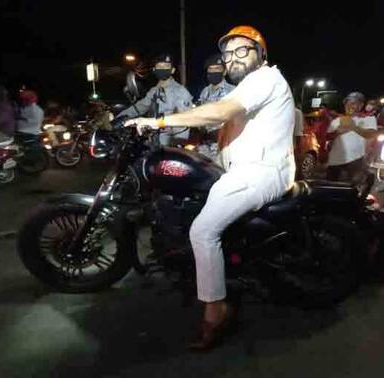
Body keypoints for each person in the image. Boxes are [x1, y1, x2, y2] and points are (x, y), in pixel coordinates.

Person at [125, 25, 295, 350]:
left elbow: (219, 111)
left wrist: (158, 122)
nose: (232, 58)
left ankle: (217, 313)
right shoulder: (245, 87)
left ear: (261, 53)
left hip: (261, 172)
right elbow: (212, 116)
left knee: (203, 231)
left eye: (241, 50)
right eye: (228, 54)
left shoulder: (265, 79)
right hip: (240, 171)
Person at [118, 53, 193, 146]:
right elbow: (141, 106)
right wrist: (119, 118)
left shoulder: (180, 91)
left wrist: (157, 125)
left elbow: (184, 121)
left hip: (170, 145)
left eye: (166, 66)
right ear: (154, 70)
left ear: (172, 70)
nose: (162, 69)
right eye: (159, 66)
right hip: (153, 143)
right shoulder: (154, 90)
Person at [325, 92, 378, 183]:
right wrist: (337, 132)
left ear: (361, 105)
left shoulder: (368, 119)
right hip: (335, 161)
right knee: (331, 189)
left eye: (353, 103)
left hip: (356, 161)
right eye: (347, 103)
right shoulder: (337, 120)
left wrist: (353, 127)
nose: (349, 106)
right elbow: (328, 137)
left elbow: (371, 134)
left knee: (352, 189)